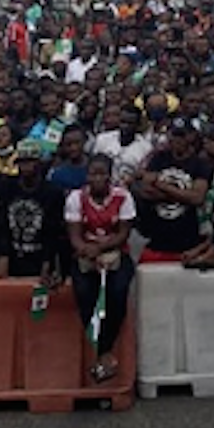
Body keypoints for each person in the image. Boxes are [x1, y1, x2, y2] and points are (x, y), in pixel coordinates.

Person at [65, 154, 136, 383]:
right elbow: (74, 236)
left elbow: (124, 233)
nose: (97, 178)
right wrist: (88, 250)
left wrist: (102, 248)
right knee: (85, 293)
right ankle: (103, 353)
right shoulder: (76, 198)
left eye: (102, 173)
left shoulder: (123, 197)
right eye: (93, 173)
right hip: (85, 252)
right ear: (87, 176)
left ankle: (104, 350)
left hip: (114, 251)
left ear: (109, 175)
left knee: (118, 291)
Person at [134, 117, 211, 263]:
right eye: (174, 134)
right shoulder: (159, 158)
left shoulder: (200, 164)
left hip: (188, 242)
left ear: (191, 136)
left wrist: (162, 185)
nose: (178, 139)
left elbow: (197, 198)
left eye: (182, 135)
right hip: (157, 240)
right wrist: (183, 195)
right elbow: (145, 191)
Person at [0, 139, 64, 282]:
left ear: (39, 163)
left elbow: (53, 232)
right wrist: (3, 256)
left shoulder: (52, 192)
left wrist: (47, 264)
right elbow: (2, 224)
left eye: (30, 161)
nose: (25, 166)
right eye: (22, 162)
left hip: (40, 256)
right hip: (13, 256)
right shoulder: (7, 187)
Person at [91, 105, 153, 186]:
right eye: (123, 122)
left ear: (138, 125)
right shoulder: (102, 139)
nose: (125, 126)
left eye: (130, 123)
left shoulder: (146, 148)